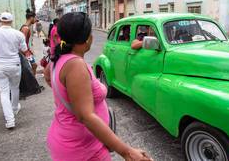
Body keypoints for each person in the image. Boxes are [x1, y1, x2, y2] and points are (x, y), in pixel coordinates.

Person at [44, 12, 153, 161]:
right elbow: (86, 116)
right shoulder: (75, 65)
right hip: (81, 148)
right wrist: (127, 152)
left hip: (76, 140)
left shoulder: (58, 58)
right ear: (88, 38)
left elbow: (48, 78)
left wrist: (69, 96)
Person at [0, 12, 28, 129]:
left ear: (0, 21)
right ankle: (15, 108)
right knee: (15, 88)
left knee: (4, 92)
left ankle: (10, 120)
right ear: (11, 21)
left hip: (0, 65)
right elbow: (24, 49)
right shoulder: (18, 34)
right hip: (15, 64)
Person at [20, 9, 38, 75]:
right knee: (34, 65)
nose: (36, 20)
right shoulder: (25, 28)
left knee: (33, 66)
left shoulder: (26, 27)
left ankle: (32, 82)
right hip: (25, 52)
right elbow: (22, 42)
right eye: (35, 18)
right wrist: (26, 52)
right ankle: (32, 83)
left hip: (26, 51)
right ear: (31, 18)